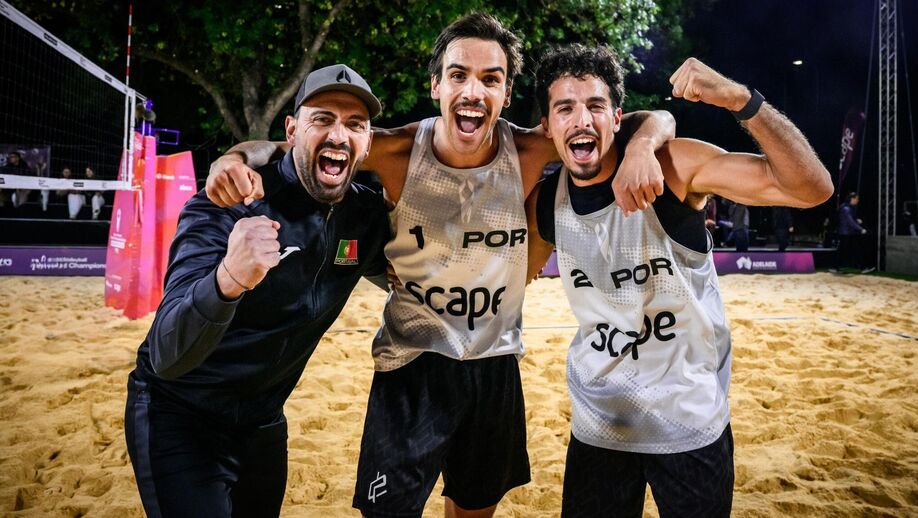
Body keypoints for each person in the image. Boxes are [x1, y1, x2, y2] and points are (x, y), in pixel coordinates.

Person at [205, 13, 675, 517]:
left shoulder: (530, 149)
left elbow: (653, 119)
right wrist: (233, 159)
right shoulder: (398, 151)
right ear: (436, 86)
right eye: (458, 75)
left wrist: (642, 147)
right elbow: (284, 147)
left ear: (506, 94)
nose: (473, 90)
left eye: (490, 79)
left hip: (494, 362)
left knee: (474, 509)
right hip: (412, 363)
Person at [525, 45, 832, 517]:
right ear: (548, 127)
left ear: (617, 117)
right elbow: (510, 278)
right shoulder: (547, 202)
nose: (582, 119)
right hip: (599, 424)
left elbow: (811, 188)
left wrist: (739, 100)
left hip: (688, 421)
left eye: (596, 106)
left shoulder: (673, 168)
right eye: (565, 108)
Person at [124, 64, 391, 517]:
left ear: (367, 143)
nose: (338, 134)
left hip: (263, 422)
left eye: (355, 125)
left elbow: (411, 270)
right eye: (322, 119)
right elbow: (167, 354)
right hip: (180, 414)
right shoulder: (229, 204)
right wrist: (229, 278)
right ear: (292, 130)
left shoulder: (365, 215)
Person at [834, 192, 870, 272]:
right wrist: (861, 229)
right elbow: (850, 221)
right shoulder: (846, 208)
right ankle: (836, 267)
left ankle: (862, 267)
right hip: (845, 234)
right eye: (857, 199)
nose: (858, 200)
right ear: (852, 199)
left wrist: (857, 220)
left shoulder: (849, 207)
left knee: (856, 250)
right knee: (845, 250)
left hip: (850, 233)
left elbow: (851, 220)